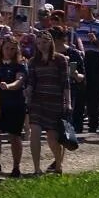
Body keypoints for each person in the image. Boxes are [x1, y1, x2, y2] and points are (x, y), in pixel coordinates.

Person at [26, 27, 71, 176]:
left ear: (50, 42)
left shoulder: (60, 60)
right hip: (38, 102)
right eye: (38, 43)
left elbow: (65, 83)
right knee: (35, 133)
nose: (41, 46)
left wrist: (68, 103)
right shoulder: (33, 62)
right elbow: (31, 82)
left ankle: (58, 164)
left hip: (55, 102)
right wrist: (28, 95)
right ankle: (36, 168)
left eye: (44, 42)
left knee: (53, 138)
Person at [0, 36, 28, 176]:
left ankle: (16, 167)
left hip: (15, 104)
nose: (9, 51)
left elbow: (19, 81)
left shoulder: (20, 64)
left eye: (13, 49)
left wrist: (8, 86)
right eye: (7, 48)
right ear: (2, 48)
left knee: (14, 137)